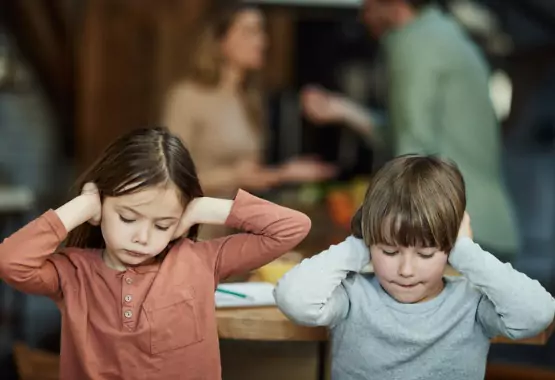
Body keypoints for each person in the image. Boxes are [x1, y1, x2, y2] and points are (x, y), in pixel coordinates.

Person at [0, 127, 311, 380]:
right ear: (100, 209)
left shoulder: (200, 260)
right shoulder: (73, 273)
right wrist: (82, 206)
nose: (142, 238)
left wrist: (204, 208)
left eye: (163, 224)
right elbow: (10, 261)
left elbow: (291, 227)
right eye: (127, 218)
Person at [274, 155, 555, 380]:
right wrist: (360, 241)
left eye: (425, 253)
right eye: (389, 251)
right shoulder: (352, 296)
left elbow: (536, 314)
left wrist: (468, 252)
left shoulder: (471, 304)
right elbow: (294, 298)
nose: (406, 270)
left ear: (450, 247)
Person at [301, 0, 519, 260]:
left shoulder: (413, 42)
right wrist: (343, 110)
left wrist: (375, 224)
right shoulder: (439, 32)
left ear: (396, 4)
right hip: (485, 225)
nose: (363, 15)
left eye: (369, 5)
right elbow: (409, 131)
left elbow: (412, 150)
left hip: (454, 231)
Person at [163, 3, 335, 201]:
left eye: (262, 32)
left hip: (234, 226)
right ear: (221, 40)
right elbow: (170, 179)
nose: (262, 41)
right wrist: (239, 176)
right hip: (197, 227)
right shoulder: (187, 98)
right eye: (250, 32)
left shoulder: (249, 99)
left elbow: (251, 176)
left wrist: (286, 172)